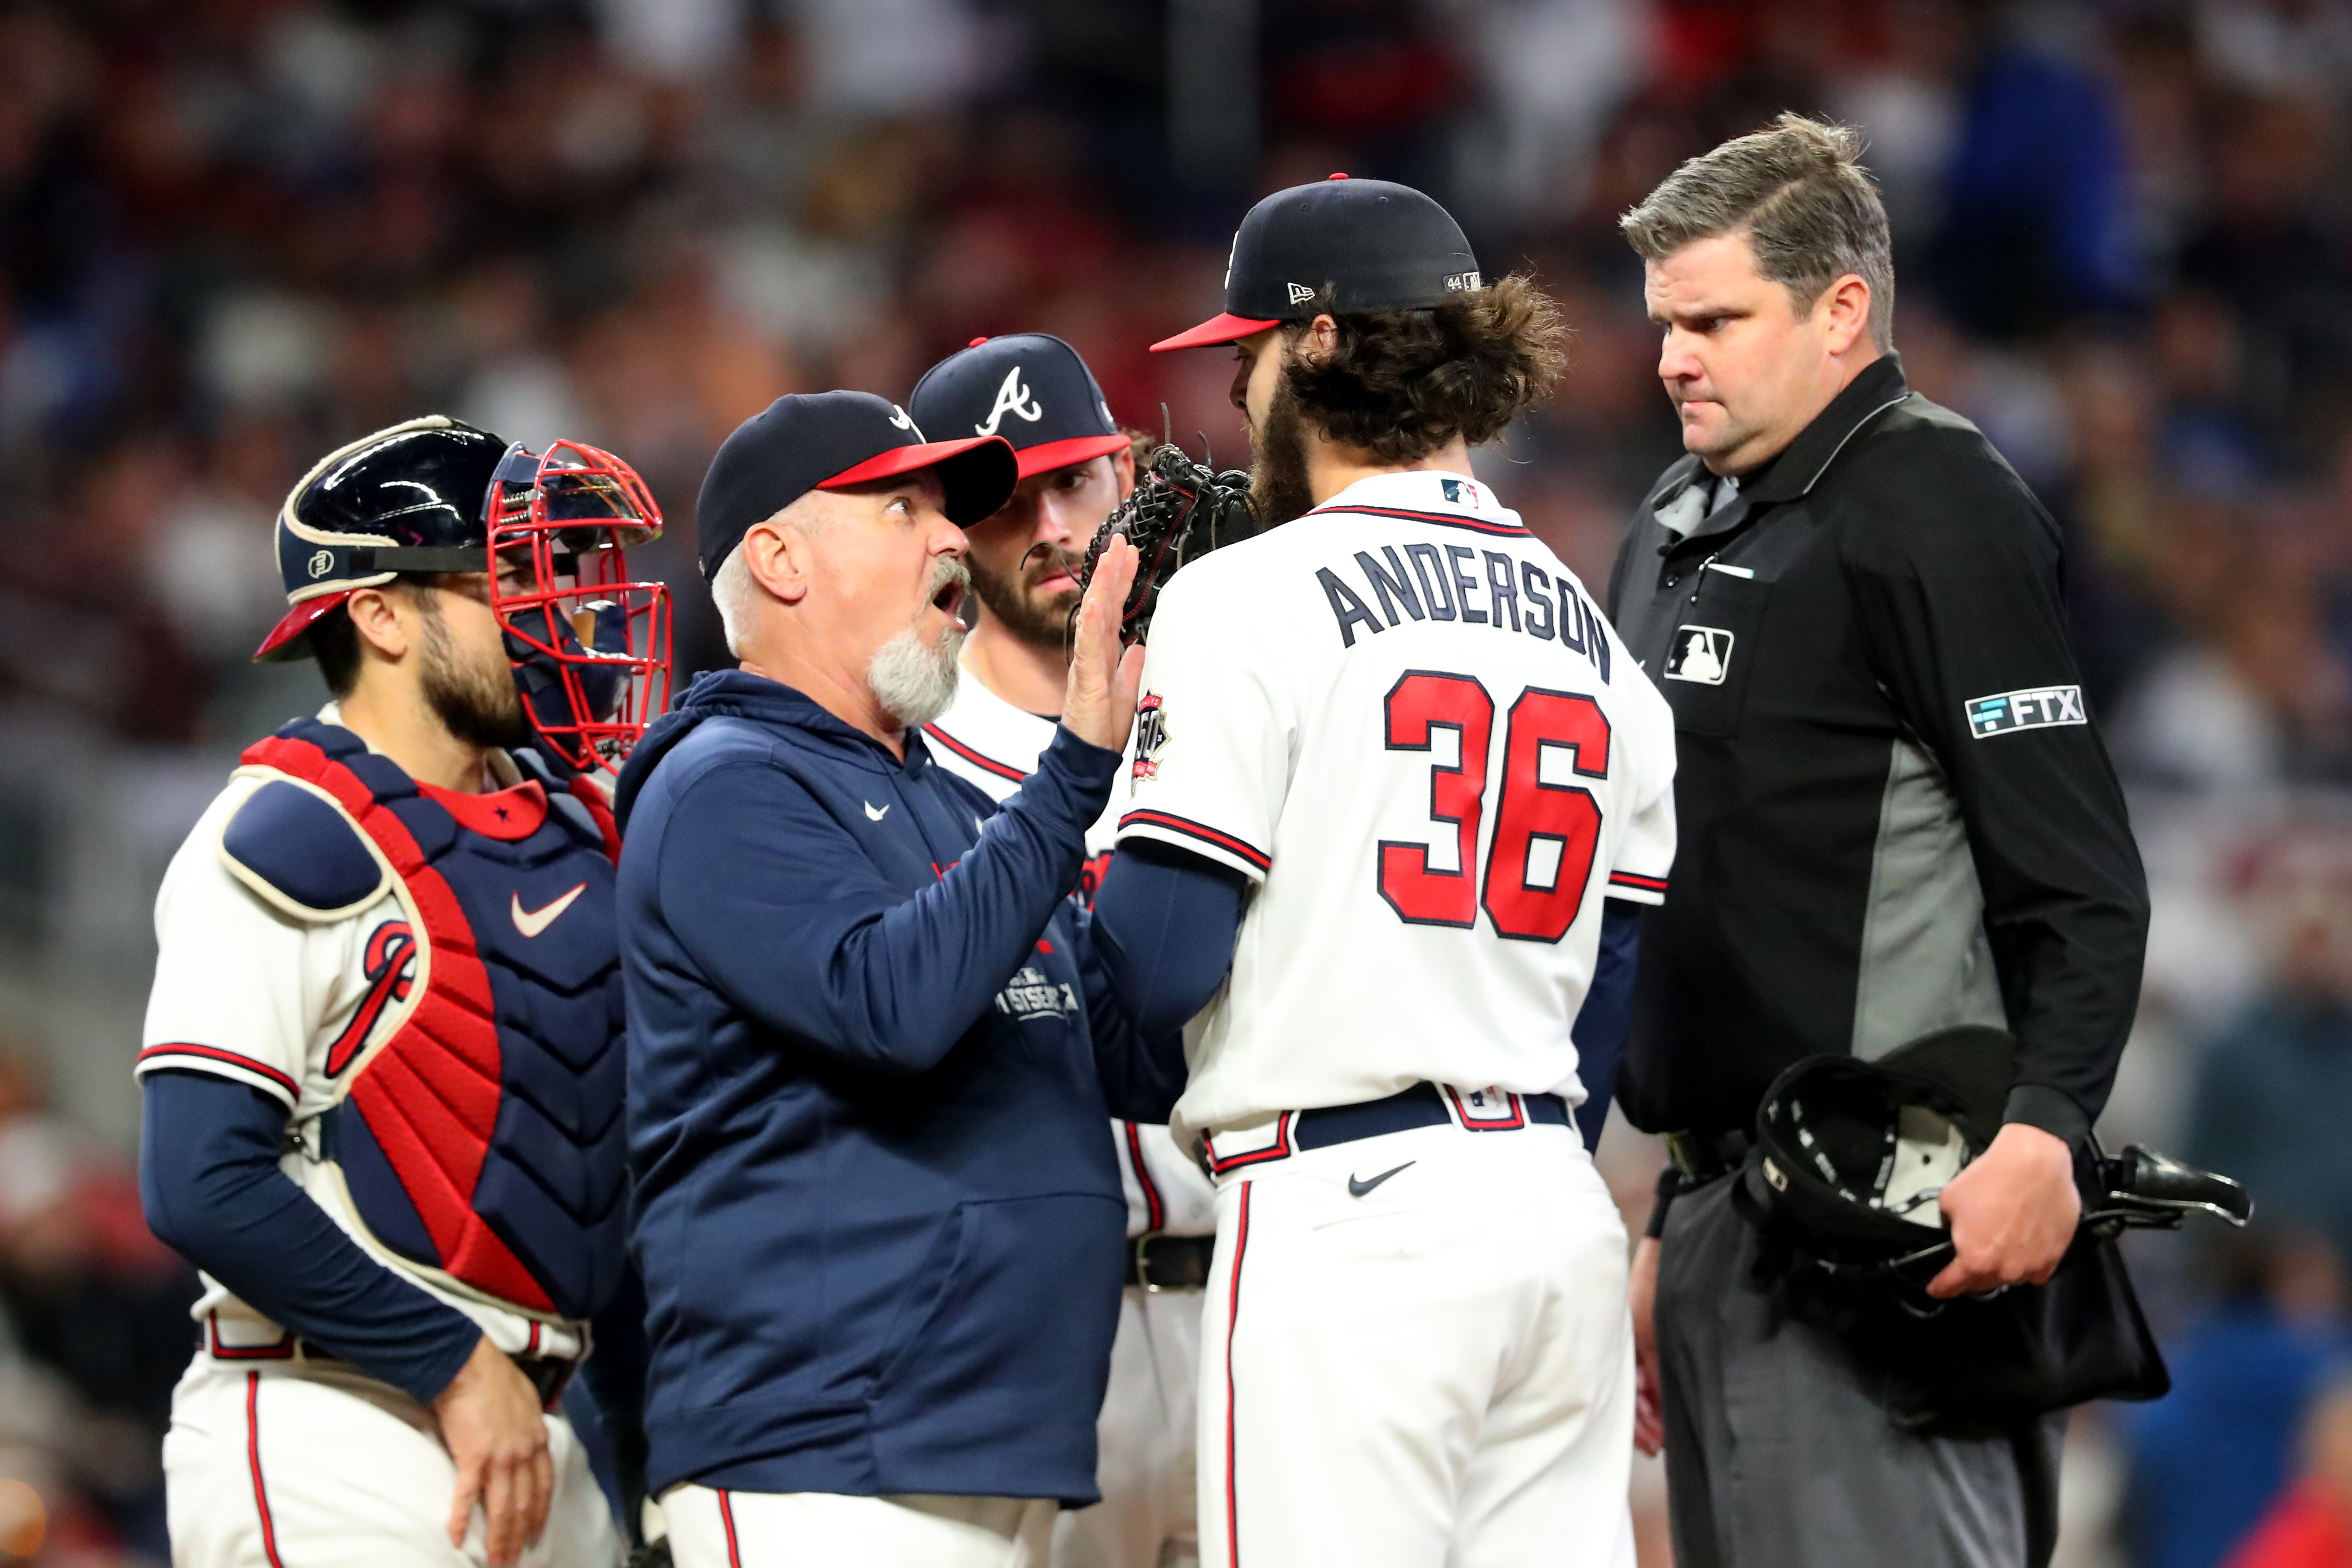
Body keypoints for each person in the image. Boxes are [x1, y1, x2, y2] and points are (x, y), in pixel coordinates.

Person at [1606, 115, 2151, 1568]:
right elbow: (1703, 896)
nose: (1673, 358)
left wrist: (2046, 1130)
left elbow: (2082, 878)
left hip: (1895, 1218)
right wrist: (1676, 1200)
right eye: (1665, 323)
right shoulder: (1674, 516)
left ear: (1840, 308)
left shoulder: (1933, 502)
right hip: (1729, 1213)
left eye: (1715, 320)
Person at [1110, 174, 1674, 1568]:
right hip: (1549, 1211)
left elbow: (1154, 963)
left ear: (1313, 348)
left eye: (1243, 354)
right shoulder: (1597, 642)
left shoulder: (1242, 596)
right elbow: (1605, 1009)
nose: (1235, 395)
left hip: (1343, 1217)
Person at [614, 391, 1184, 1568]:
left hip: (981, 1450)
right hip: (820, 1452)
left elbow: (1139, 1054)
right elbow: (893, 1005)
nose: (948, 540)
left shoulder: (950, 803)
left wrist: (1215, 782)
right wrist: (1076, 766)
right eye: (901, 507)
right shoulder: (723, 783)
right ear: (778, 559)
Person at [136, 417, 672, 1568]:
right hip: (335, 1417)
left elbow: (594, 1170)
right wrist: (451, 1363)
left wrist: (645, 1450)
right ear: (379, 612)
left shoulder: (583, 821)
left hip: (542, 1429)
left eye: (549, 574)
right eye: (507, 579)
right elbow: (198, 1179)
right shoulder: (283, 834)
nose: (553, 613)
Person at [910, 333, 1216, 1568]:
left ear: (1127, 470)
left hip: (1241, 1299)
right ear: (941, 531)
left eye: (1073, 481)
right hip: (1031, 1325)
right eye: (1002, 499)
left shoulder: (1231, 702)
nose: (1047, 525)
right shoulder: (905, 754)